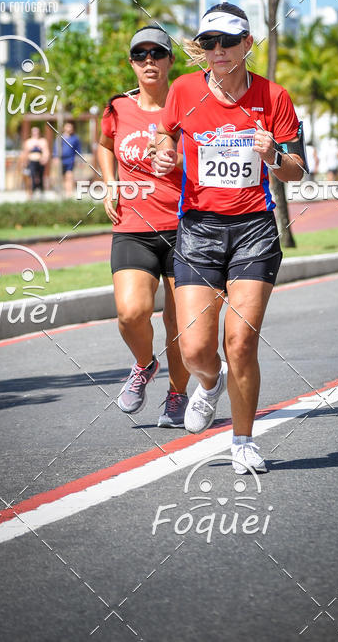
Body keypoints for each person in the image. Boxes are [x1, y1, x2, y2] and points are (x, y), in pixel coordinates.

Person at [154, 2, 305, 473]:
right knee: (195, 348)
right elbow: (168, 139)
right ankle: (210, 381)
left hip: (254, 230)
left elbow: (297, 171)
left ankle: (242, 440)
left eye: (227, 41)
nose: (217, 51)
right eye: (208, 43)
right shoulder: (182, 91)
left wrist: (274, 153)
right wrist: (165, 158)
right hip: (198, 229)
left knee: (240, 340)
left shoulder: (273, 97)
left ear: (247, 44)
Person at [97, 26, 190, 428]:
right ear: (132, 63)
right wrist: (109, 183)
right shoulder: (118, 108)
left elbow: (210, 156)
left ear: (170, 61)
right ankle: (144, 364)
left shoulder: (191, 107)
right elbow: (103, 146)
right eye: (140, 54)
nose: (149, 60)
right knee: (130, 313)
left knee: (180, 325)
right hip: (132, 227)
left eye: (157, 53)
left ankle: (178, 394)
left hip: (187, 227)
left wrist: (177, 161)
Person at [22, 126, 49, 197]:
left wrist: (45, 158)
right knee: (32, 177)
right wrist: (25, 162)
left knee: (41, 177)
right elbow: (25, 153)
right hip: (32, 162)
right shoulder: (28, 142)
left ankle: (41, 192)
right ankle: (32, 192)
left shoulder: (43, 141)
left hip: (40, 162)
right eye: (34, 132)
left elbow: (46, 152)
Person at [58, 121, 82, 197]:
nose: (69, 128)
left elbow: (78, 150)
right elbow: (56, 148)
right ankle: (63, 192)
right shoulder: (60, 138)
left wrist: (79, 160)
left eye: (70, 127)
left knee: (69, 175)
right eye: (67, 126)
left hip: (70, 159)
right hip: (61, 160)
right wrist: (55, 157)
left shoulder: (75, 138)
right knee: (62, 176)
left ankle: (69, 193)